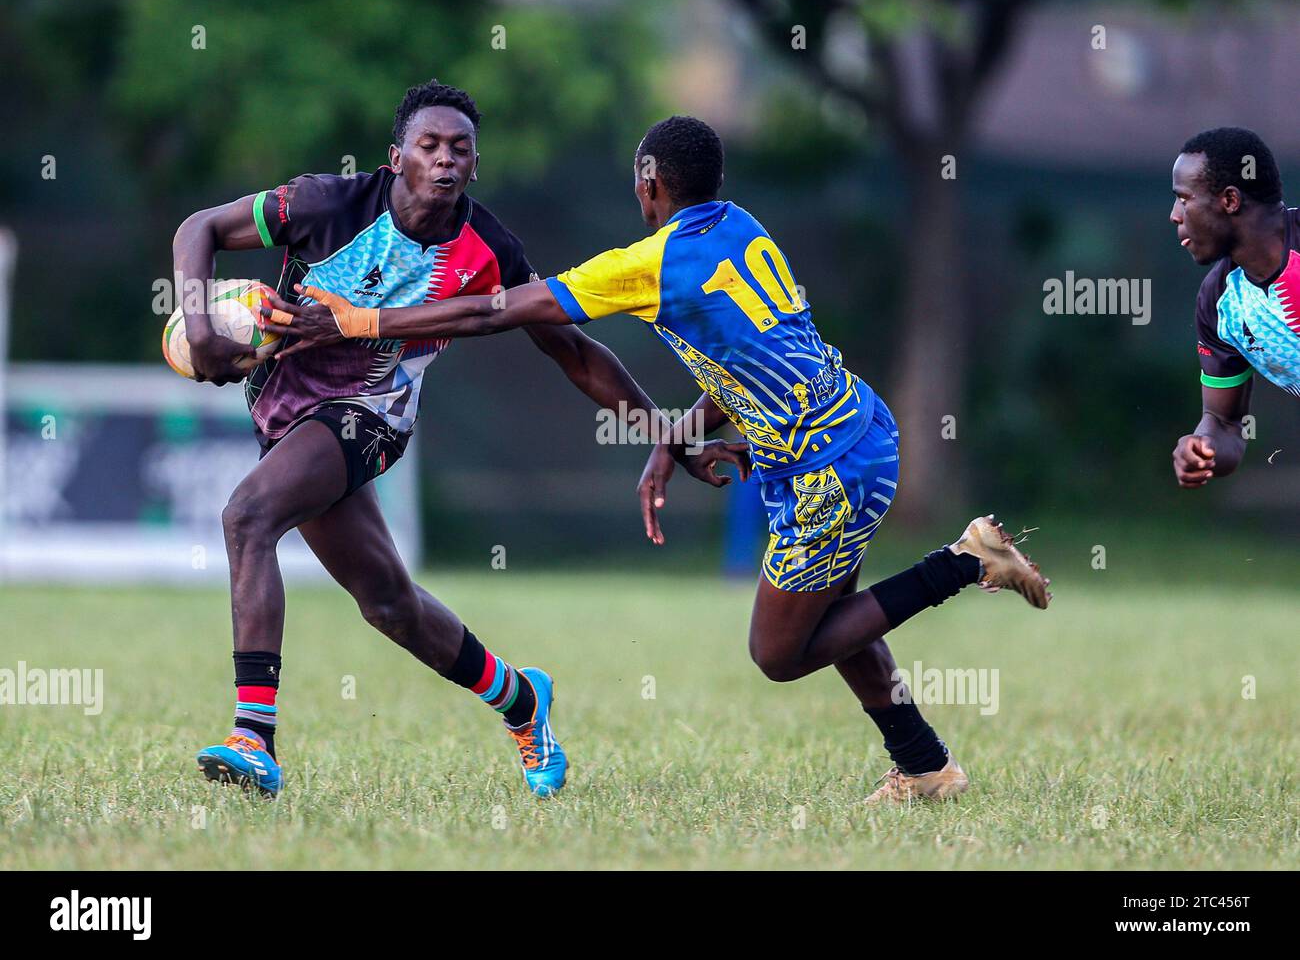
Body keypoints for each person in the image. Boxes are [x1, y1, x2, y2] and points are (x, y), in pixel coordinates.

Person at [266, 115, 1052, 804]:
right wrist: (673, 437)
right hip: (852, 432)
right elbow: (749, 350)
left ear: (650, 183)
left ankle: (966, 560)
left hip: (826, 467)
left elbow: (496, 308)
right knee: (836, 616)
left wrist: (364, 319)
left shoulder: (651, 262)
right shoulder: (740, 225)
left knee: (780, 653)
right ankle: (924, 766)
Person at [172, 84, 735, 798]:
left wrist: (673, 438)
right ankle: (523, 702)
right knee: (388, 604)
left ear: (475, 165)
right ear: (396, 156)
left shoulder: (489, 250)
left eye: (459, 150)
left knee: (247, 516)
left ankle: (253, 735)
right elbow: (199, 227)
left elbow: (577, 355)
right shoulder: (323, 204)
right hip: (287, 414)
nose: (444, 160)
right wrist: (197, 325)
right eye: (429, 146)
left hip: (369, 417)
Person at [1169, 127, 1294, 490]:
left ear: (1230, 200)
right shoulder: (1218, 303)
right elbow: (1224, 424)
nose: (1175, 216)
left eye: (1183, 198)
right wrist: (1203, 447)